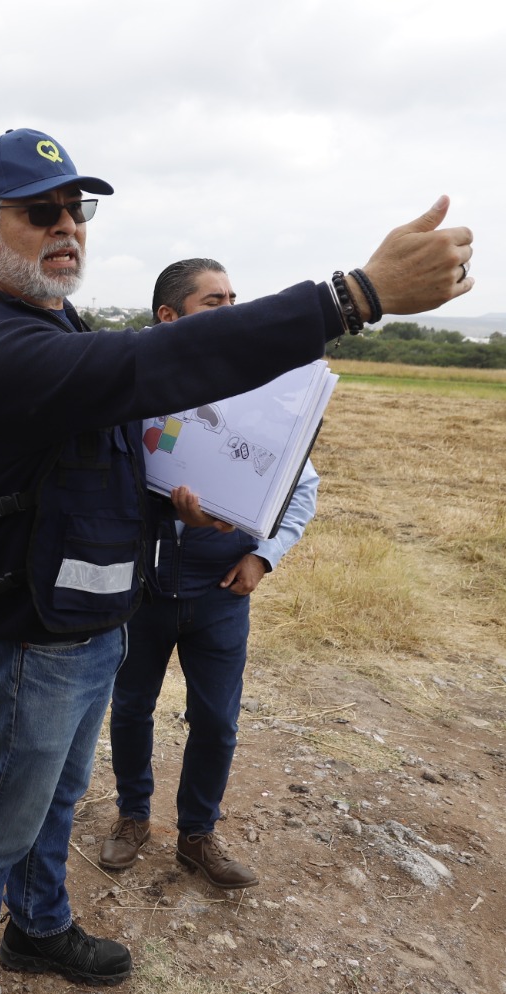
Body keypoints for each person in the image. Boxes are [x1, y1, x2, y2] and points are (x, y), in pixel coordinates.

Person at [0, 127, 473, 994]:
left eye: (76, 209)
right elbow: (151, 367)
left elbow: (92, 449)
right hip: (35, 632)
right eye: (39, 211)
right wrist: (353, 297)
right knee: (3, 817)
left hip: (95, 615)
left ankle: (39, 926)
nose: (66, 227)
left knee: (60, 797)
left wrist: (181, 493)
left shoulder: (52, 325)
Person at [98, 259, 320, 888]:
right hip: (140, 592)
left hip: (222, 592)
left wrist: (262, 556)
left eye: (234, 299)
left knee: (218, 719)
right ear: (168, 318)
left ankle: (197, 835)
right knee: (131, 706)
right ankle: (132, 817)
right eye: (213, 302)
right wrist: (165, 510)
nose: (232, 311)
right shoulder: (131, 398)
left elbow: (300, 490)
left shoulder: (264, 403)